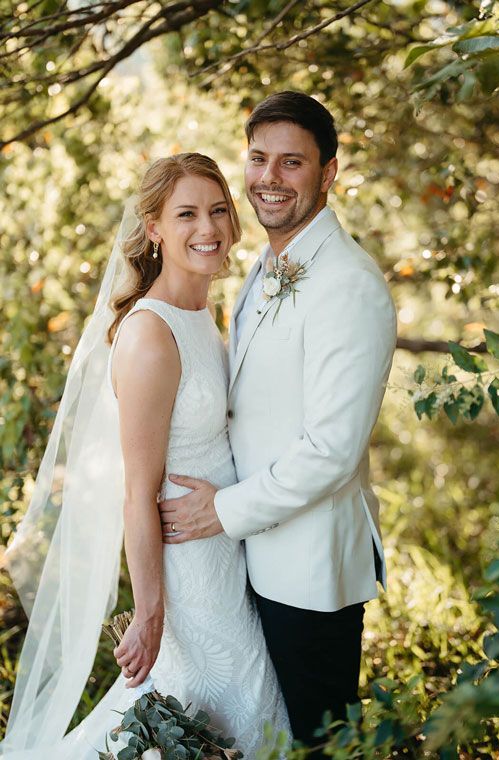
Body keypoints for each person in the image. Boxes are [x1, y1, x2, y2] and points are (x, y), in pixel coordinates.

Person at [0, 153, 289, 759]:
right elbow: (137, 490)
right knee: (225, 714)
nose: (207, 228)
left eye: (217, 211)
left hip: (228, 553)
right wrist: (150, 612)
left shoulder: (202, 316)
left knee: (239, 720)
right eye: (186, 214)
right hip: (187, 576)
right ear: (154, 227)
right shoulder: (151, 333)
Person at [158, 92, 398, 753]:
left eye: (291, 163)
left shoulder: (346, 283)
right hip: (254, 556)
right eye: (259, 158)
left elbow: (331, 451)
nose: (269, 177)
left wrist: (223, 511)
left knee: (315, 742)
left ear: (328, 173)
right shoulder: (267, 265)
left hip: (308, 567)